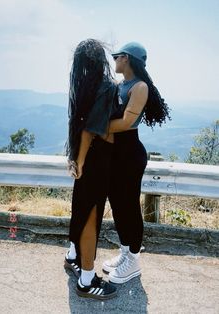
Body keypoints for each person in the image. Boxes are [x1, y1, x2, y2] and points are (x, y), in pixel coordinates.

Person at [102, 42, 171, 284]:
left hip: (130, 154)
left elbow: (126, 124)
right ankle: (125, 253)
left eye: (117, 56)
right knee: (118, 204)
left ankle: (133, 260)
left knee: (129, 205)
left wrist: (95, 128)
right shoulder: (122, 85)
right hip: (116, 153)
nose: (114, 59)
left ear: (127, 59)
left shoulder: (140, 87)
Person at [64, 39, 118, 300]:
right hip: (95, 161)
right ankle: (86, 281)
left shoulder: (83, 85)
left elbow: (77, 124)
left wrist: (74, 158)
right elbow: (91, 130)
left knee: (80, 208)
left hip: (84, 157)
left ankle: (73, 256)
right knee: (90, 216)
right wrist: (82, 161)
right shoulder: (106, 86)